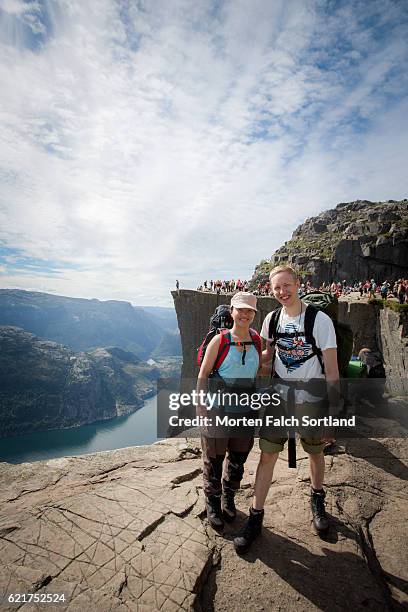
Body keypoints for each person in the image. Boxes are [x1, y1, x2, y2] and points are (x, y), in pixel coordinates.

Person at [234, 265, 340, 554]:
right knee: (268, 454)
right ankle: (256, 517)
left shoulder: (319, 321)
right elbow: (267, 362)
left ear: (298, 284)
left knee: (315, 452)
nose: (282, 292)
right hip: (279, 399)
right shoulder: (272, 319)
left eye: (286, 285)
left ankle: (317, 498)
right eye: (276, 288)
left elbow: (331, 370)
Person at [196, 292, 261, 531]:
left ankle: (228, 496)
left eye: (249, 310)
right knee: (214, 460)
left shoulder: (256, 340)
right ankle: (212, 502)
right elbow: (203, 374)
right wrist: (200, 404)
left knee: (238, 458)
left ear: (254, 314)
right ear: (232, 311)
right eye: (240, 309)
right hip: (218, 410)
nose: (244, 314)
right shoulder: (220, 340)